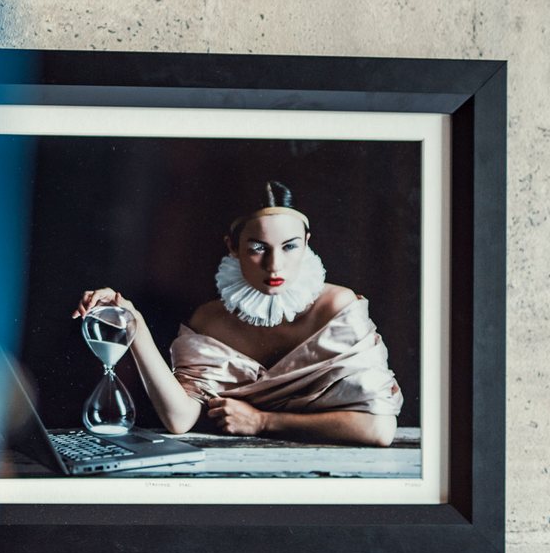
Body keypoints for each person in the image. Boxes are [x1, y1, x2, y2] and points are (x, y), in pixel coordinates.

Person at [73, 181, 402, 447]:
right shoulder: (209, 321)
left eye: (290, 246)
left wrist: (262, 421)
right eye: (258, 248)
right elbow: (179, 419)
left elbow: (378, 429)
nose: (275, 265)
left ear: (307, 242)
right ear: (232, 246)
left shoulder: (337, 308)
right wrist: (136, 324)